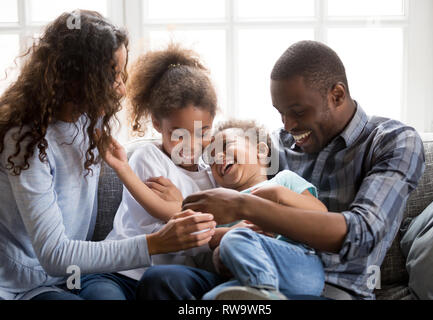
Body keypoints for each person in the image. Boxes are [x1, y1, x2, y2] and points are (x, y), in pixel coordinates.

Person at [144, 40, 426, 300]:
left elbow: (361, 234)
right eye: (280, 113)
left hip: (331, 289)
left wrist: (245, 206)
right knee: (163, 279)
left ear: (337, 95)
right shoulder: (275, 145)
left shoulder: (391, 141)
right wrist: (178, 204)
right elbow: (219, 162)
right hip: (253, 271)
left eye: (298, 112)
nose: (288, 125)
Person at [0, 11, 214, 300]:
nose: (122, 89)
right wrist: (154, 243)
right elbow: (54, 255)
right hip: (23, 285)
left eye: (121, 75)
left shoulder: (89, 120)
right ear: (76, 78)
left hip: (72, 277)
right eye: (111, 76)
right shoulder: (24, 141)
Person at [87, 44, 257, 300]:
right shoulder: (148, 156)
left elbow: (212, 231)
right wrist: (179, 207)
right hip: (120, 272)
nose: (191, 145)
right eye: (179, 135)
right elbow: (160, 210)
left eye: (203, 132)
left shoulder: (212, 175)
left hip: (168, 282)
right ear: (157, 123)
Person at [198, 119, 328, 299]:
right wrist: (230, 233)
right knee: (210, 298)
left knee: (234, 239)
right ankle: (263, 292)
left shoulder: (283, 181)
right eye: (211, 159)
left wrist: (279, 194)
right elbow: (209, 238)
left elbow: (322, 215)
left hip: (299, 269)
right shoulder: (223, 203)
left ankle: (264, 291)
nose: (218, 157)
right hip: (247, 279)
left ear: (260, 151)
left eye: (226, 146)